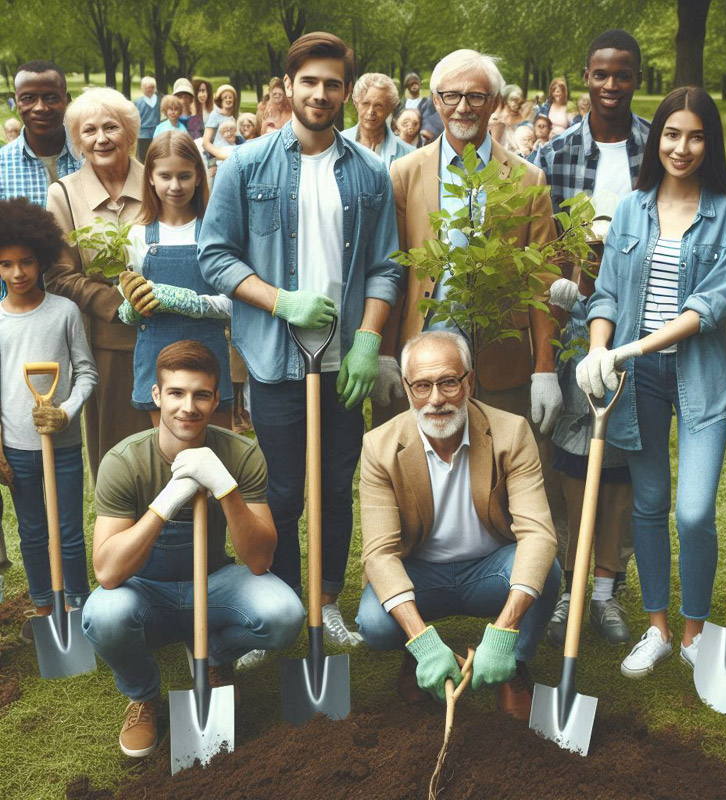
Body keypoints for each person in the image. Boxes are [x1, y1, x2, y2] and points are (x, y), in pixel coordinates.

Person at [198, 32, 402, 646]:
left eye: (332, 83)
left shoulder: (370, 173)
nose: (320, 93)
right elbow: (215, 256)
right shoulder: (245, 164)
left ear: (346, 92)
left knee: (336, 488)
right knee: (282, 490)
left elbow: (387, 264)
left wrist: (368, 338)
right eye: (308, 81)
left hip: (346, 365)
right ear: (288, 87)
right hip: (275, 361)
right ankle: (288, 603)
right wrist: (279, 300)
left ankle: (329, 602)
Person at [578, 86, 726, 677]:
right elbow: (604, 293)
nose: (682, 147)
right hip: (636, 380)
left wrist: (630, 346)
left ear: (711, 143)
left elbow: (712, 306)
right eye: (672, 134)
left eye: (696, 135)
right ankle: (656, 627)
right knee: (648, 505)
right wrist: (600, 349)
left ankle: (695, 631)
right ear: (657, 140)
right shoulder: (630, 208)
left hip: (697, 374)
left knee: (695, 512)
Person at [82, 340, 305, 758]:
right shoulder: (124, 461)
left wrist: (226, 487)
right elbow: (109, 573)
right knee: (103, 615)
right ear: (157, 396)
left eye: (202, 394)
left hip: (213, 583)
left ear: (217, 397)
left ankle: (214, 655)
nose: (189, 407)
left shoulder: (241, 454)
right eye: (177, 393)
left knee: (285, 614)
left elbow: (259, 559)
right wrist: (166, 501)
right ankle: (143, 695)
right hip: (143, 591)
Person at [357, 331, 560, 718]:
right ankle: (420, 656)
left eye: (448, 382)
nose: (436, 399)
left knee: (543, 569)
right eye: (422, 385)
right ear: (407, 387)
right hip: (421, 576)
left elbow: (538, 533)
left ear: (468, 381)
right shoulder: (379, 447)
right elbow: (379, 554)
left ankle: (512, 665)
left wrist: (501, 634)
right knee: (373, 621)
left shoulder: (510, 432)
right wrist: (422, 642)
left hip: (491, 571)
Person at [533, 29, 650, 647]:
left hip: (641, 322)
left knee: (623, 456)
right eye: (600, 75)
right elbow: (540, 243)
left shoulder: (656, 148)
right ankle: (569, 582)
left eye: (622, 74)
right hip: (573, 315)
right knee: (572, 454)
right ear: (585, 77)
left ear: (636, 77)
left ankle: (608, 585)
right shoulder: (554, 155)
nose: (610, 86)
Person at [372, 48, 556, 431]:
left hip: (500, 361)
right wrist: (387, 355)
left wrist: (544, 370)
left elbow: (542, 283)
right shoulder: (404, 173)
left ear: (494, 103)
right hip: (422, 356)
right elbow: (392, 269)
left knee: (494, 478)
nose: (462, 107)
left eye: (475, 96)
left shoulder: (528, 179)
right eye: (450, 96)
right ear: (435, 101)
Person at [0, 197, 98, 642]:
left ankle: (77, 604)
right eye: (6, 264)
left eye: (26, 262)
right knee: (33, 532)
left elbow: (86, 373)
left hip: (62, 446)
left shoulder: (65, 312)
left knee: (69, 531)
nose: (18, 273)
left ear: (42, 258)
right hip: (18, 449)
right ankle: (44, 607)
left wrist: (65, 410)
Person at [45, 88, 153, 483]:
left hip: (171, 331)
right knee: (117, 458)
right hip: (109, 344)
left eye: (111, 127)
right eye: (89, 130)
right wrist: (116, 302)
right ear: (77, 141)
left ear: (129, 133)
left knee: (174, 451)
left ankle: (178, 543)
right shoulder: (64, 194)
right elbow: (59, 275)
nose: (101, 138)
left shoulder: (160, 180)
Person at [117, 129, 233, 429]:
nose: (175, 185)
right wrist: (132, 306)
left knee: (214, 451)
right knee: (169, 452)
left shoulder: (215, 231)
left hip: (209, 357)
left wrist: (191, 303)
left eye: (184, 176)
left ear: (198, 176)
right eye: (165, 176)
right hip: (158, 358)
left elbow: (236, 303)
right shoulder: (136, 235)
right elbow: (128, 307)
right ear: (151, 178)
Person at [0, 60, 81, 207]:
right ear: (17, 103)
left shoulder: (90, 157)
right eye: (28, 98)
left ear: (67, 100)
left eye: (51, 98)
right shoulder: (2, 165)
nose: (40, 108)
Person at [341, 72, 414, 169]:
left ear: (390, 108)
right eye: (366, 103)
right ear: (356, 104)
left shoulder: (409, 154)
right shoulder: (338, 144)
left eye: (378, 105)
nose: (371, 111)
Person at [202, 83, 237, 163]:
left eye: (230, 97)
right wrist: (219, 154)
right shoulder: (215, 115)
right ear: (220, 100)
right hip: (218, 157)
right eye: (225, 97)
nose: (228, 100)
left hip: (231, 154)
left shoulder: (232, 118)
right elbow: (206, 142)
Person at [134, 77, 160, 162]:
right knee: (143, 158)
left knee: (157, 157)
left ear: (154, 88)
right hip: (143, 135)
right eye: (146, 87)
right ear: (142, 88)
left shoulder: (160, 101)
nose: (148, 89)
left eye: (151, 87)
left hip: (157, 133)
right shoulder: (138, 103)